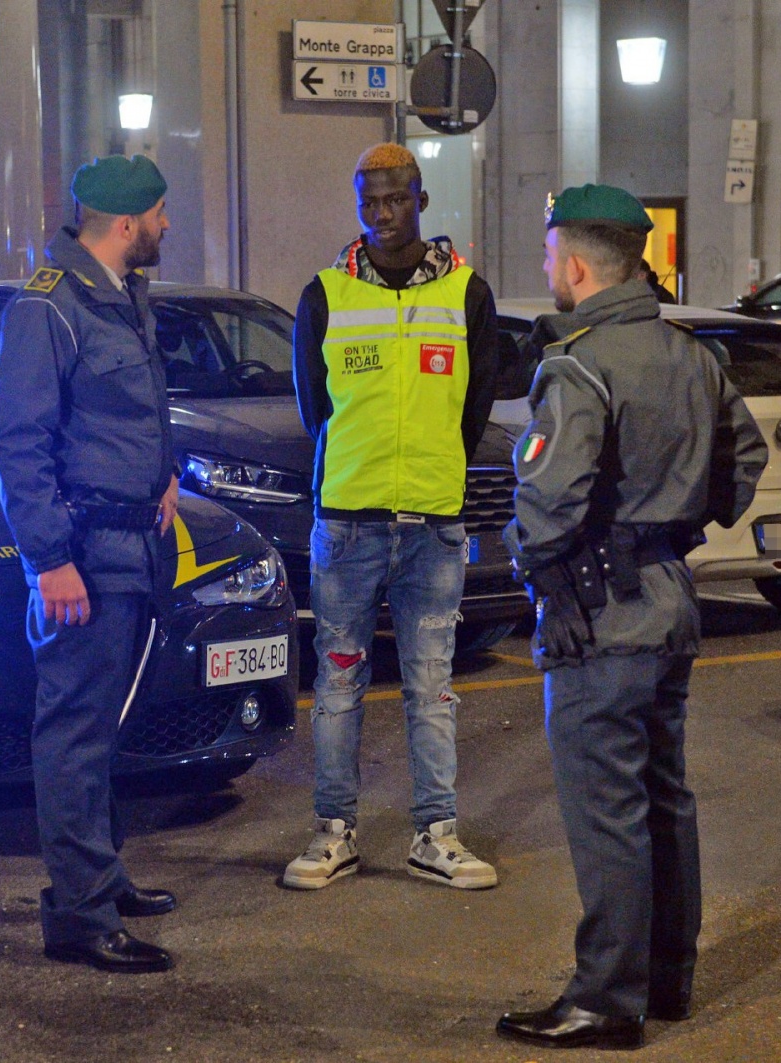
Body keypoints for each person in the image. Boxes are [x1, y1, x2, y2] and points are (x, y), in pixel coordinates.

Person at [495, 184, 768, 1051]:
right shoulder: (691, 355)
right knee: (663, 797)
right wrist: (681, 522)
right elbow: (744, 457)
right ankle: (666, 980)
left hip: (600, 611)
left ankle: (608, 998)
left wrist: (537, 564)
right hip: (669, 598)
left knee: (607, 808)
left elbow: (551, 496)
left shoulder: (579, 360)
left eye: (549, 258)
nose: (548, 272)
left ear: (576, 265)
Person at [284, 143, 501, 892]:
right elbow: (315, 409)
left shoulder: (469, 294)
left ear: (421, 199)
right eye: (368, 203)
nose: (381, 215)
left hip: (434, 522)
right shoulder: (325, 293)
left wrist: (432, 467)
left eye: (395, 200)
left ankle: (435, 834)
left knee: (432, 685)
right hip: (347, 519)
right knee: (339, 684)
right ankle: (333, 832)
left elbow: (473, 412)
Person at [0, 154, 180, 975]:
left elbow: (124, 414)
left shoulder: (120, 297)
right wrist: (48, 560)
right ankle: (79, 912)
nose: (169, 226)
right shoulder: (50, 307)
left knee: (100, 727)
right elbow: (15, 441)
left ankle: (100, 870)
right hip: (86, 557)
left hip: (132, 545)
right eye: (163, 214)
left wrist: (161, 475)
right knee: (71, 732)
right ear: (128, 223)